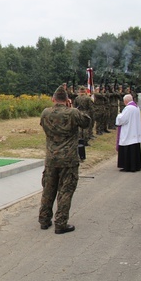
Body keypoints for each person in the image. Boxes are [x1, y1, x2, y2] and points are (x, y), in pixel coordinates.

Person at [38, 85, 91, 234]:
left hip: (51, 158)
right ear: (67, 100)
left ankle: (44, 219)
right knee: (66, 190)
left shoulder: (45, 113)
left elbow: (44, 126)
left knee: (48, 189)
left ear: (53, 99)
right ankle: (60, 223)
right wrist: (73, 108)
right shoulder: (73, 113)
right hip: (68, 159)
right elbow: (86, 122)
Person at [115, 94, 141, 172]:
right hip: (134, 131)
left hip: (129, 132)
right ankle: (136, 165)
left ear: (126, 101)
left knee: (128, 148)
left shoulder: (128, 108)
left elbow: (122, 119)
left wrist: (119, 115)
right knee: (134, 149)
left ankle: (128, 166)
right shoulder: (136, 107)